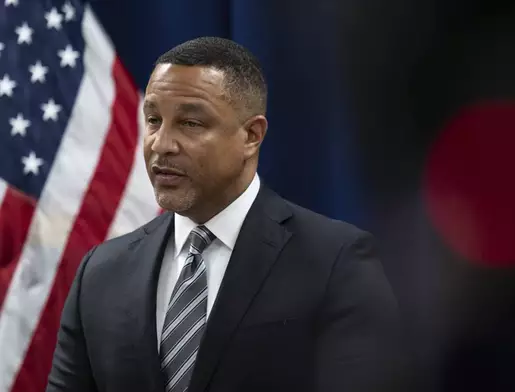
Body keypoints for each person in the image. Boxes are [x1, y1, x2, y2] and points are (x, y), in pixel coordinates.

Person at [46, 37, 406, 392]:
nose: (162, 144)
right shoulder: (100, 272)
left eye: (190, 123)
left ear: (252, 135)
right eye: (154, 119)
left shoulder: (337, 263)